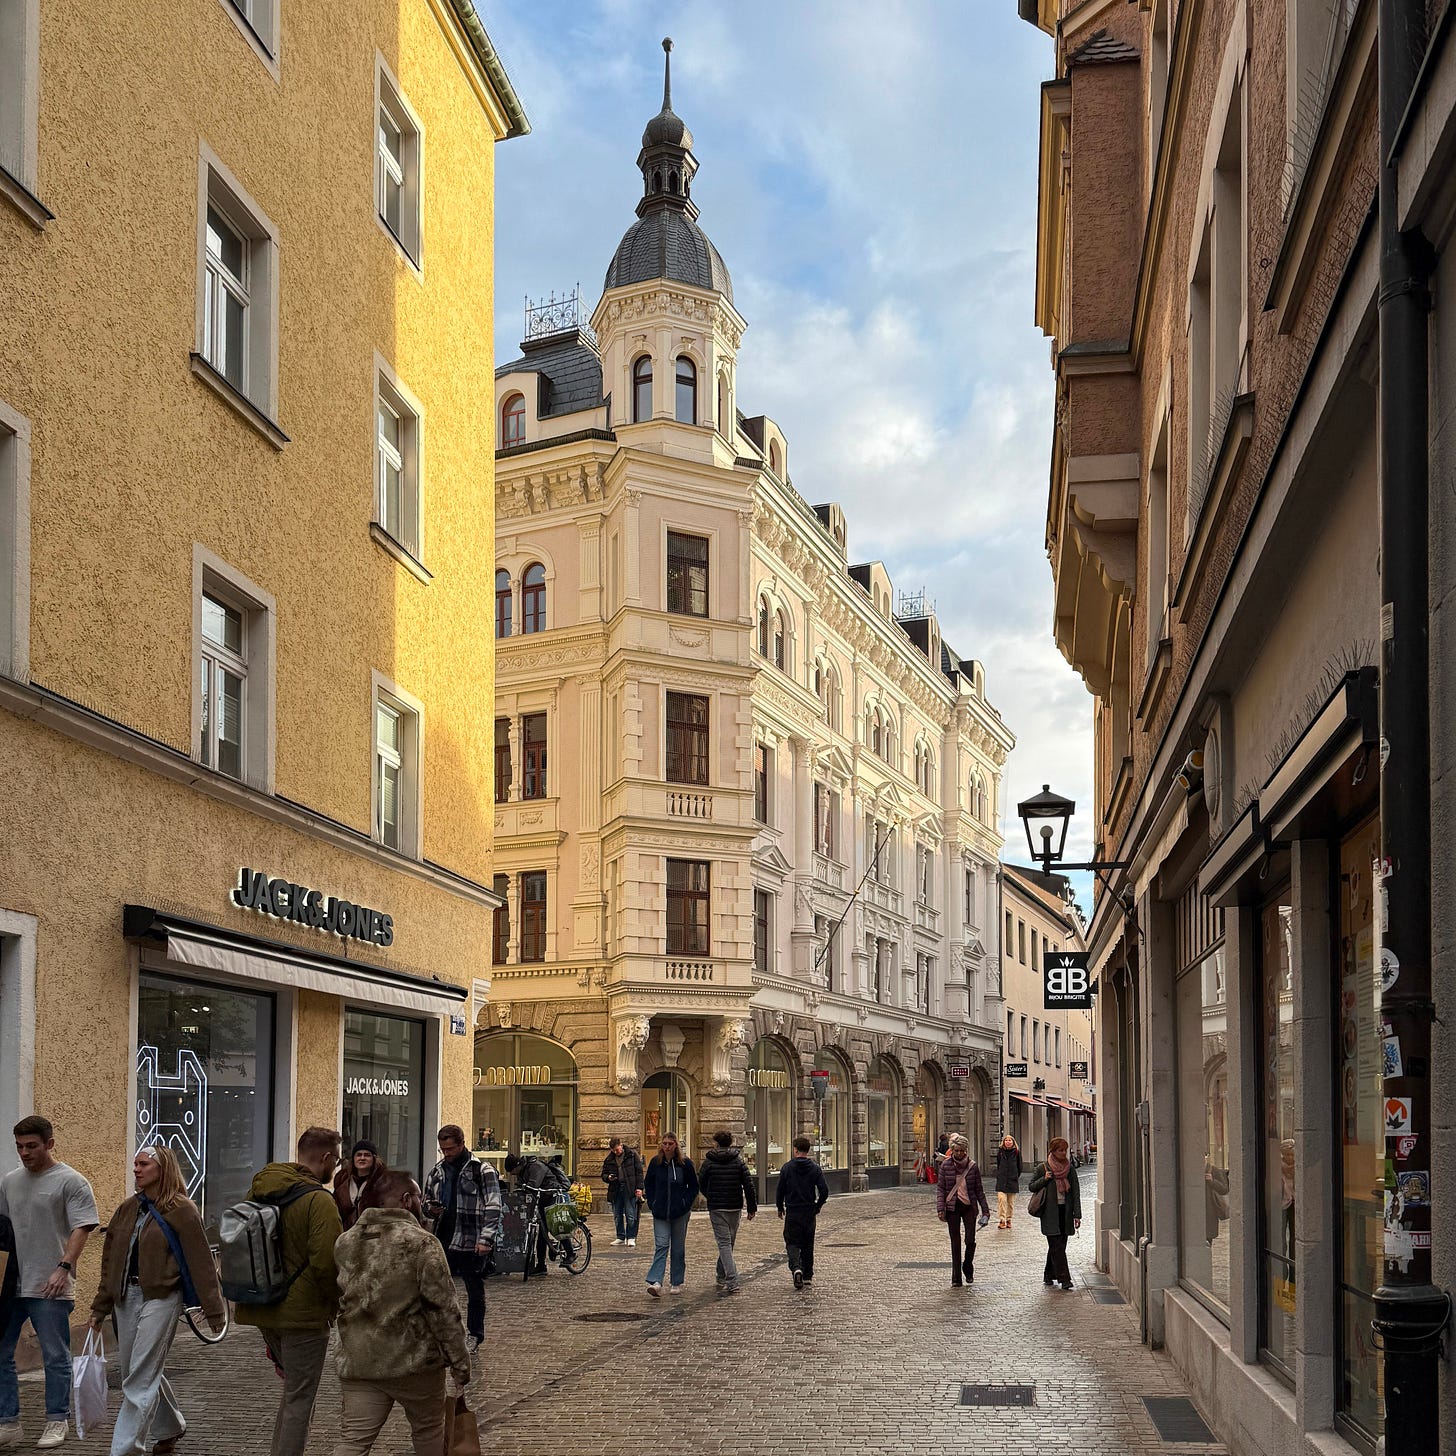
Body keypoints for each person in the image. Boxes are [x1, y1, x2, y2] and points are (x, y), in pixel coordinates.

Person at [90, 1146, 226, 1456]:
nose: (136, 1169)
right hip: (126, 1296)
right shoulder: (127, 1209)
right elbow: (110, 1262)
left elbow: (201, 1261)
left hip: (162, 1297)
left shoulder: (182, 1209)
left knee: (139, 1376)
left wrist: (214, 1310)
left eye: (143, 1164)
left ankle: (125, 1450)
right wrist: (100, 1307)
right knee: (136, 1371)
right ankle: (170, 1427)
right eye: (135, 1164)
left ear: (162, 1169)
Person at [333, 1171, 470, 1456]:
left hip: (360, 1359)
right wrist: (459, 1363)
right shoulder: (422, 1242)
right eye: (419, 1197)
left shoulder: (346, 1241)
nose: (422, 1203)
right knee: (428, 1431)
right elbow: (443, 1309)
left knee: (353, 1441)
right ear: (407, 1200)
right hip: (413, 1362)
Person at [235, 1126, 343, 1456]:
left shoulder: (260, 1189)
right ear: (326, 1157)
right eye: (337, 1161)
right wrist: (336, 1304)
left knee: (293, 1392)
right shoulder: (319, 1201)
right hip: (303, 1315)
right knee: (300, 1398)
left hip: (262, 1306)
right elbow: (327, 1263)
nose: (336, 1167)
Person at [0, 1115, 100, 1451]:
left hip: (50, 1284)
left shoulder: (71, 1182)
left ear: (49, 1144)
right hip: (11, 1285)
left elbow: (82, 1227)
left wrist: (63, 1268)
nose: (25, 1153)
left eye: (32, 1146)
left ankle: (57, 1420)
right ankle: (8, 1423)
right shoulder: (10, 1182)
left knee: (55, 1356)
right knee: (1, 1352)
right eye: (19, 1147)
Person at [424, 1126, 500, 1346]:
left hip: (471, 1238)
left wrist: (486, 1239)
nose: (446, 1153)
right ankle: (442, 1332)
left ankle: (474, 1334)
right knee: (437, 1288)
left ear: (461, 1144)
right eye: (443, 1149)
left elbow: (494, 1205)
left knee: (474, 1289)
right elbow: (426, 1202)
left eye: (450, 1149)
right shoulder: (437, 1171)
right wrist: (431, 1209)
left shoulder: (481, 1170)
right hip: (444, 1237)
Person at [697, 1130, 757, 1296]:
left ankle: (727, 1277)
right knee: (727, 1243)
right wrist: (751, 1207)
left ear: (716, 1143)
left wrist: (710, 1195)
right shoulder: (738, 1161)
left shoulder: (709, 1162)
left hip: (717, 1206)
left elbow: (701, 1182)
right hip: (734, 1206)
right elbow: (748, 1184)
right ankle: (726, 1277)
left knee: (725, 1244)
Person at [642, 1133, 698, 1297]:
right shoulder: (656, 1163)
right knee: (661, 1245)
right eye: (664, 1143)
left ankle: (676, 1281)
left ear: (675, 1145)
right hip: (660, 1211)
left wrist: (685, 1203)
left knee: (678, 1248)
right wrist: (652, 1202)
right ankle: (656, 1281)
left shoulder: (685, 1164)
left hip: (679, 1212)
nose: (667, 1147)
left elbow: (693, 1186)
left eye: (670, 1144)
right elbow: (649, 1183)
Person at [1029, 1135, 1082, 1290]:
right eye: (1060, 1150)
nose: (1063, 1153)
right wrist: (1044, 1179)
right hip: (1049, 1213)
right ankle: (1064, 1279)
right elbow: (1031, 1186)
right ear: (1053, 1151)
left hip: (1065, 1212)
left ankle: (1048, 1274)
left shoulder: (1069, 1169)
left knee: (1059, 1246)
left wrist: (1077, 1215)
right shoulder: (1043, 1168)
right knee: (1056, 1245)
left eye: (1065, 1150)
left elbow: (1075, 1192)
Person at [936, 1133, 990, 1287]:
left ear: (966, 1150)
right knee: (955, 1242)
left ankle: (967, 1265)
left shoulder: (972, 1166)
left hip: (969, 1207)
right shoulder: (945, 1166)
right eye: (956, 1150)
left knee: (970, 1240)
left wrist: (985, 1211)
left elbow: (979, 1190)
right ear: (952, 1150)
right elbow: (941, 1189)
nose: (959, 1153)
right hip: (952, 1207)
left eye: (961, 1150)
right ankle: (956, 1278)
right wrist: (940, 1209)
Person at [776, 1134, 829, 1291]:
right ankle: (807, 1275)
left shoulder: (787, 1168)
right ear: (808, 1150)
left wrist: (780, 1207)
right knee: (808, 1243)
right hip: (808, 1210)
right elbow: (824, 1190)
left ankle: (796, 1268)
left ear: (795, 1150)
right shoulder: (815, 1168)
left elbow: (780, 1190)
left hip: (793, 1210)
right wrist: (818, 1205)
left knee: (792, 1242)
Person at [501, 1150, 566, 1276]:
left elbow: (533, 1185)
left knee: (555, 1225)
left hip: (551, 1195)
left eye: (512, 1171)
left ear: (517, 1166)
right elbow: (523, 1187)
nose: (512, 1174)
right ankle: (541, 1265)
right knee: (541, 1233)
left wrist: (525, 1188)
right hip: (540, 1199)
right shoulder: (522, 1171)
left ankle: (570, 1253)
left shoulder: (536, 1167)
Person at [333, 1141, 387, 1232]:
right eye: (358, 1155)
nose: (362, 1158)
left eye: (367, 1155)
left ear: (374, 1158)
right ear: (353, 1158)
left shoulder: (383, 1181)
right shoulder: (342, 1180)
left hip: (373, 1235)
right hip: (346, 1234)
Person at [599, 1138, 644, 1248]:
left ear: (621, 1145)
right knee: (617, 1215)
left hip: (629, 1188)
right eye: (613, 1150)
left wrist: (639, 1188)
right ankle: (620, 1236)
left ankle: (631, 1237)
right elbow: (603, 1174)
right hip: (616, 1189)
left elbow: (639, 1173)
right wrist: (608, 1177)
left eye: (617, 1149)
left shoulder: (632, 1155)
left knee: (631, 1215)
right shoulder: (609, 1159)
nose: (616, 1152)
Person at [993, 1134, 1022, 1230]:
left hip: (1012, 1180)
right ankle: (1002, 1220)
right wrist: (1000, 1174)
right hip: (1002, 1180)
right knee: (1001, 1200)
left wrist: (1015, 1176)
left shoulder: (1016, 1152)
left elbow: (1019, 1166)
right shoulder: (1000, 1152)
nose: (1008, 1142)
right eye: (1006, 1140)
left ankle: (1009, 1219)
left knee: (1010, 1202)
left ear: (1013, 1142)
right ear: (1003, 1142)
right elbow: (998, 1164)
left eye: (1010, 1140)